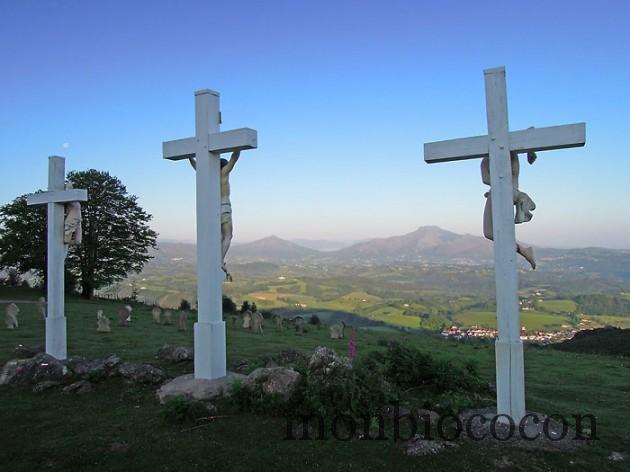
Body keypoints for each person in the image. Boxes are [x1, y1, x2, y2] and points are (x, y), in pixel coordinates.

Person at [481, 151, 537, 269]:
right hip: (498, 192)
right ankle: (523, 250)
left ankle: (523, 251)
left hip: (506, 192)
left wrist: (530, 150)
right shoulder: (487, 159)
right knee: (489, 233)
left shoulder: (510, 151)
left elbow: (488, 179)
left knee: (491, 232)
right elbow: (486, 180)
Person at [189, 150, 240, 281]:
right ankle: (220, 260)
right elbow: (234, 159)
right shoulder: (224, 173)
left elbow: (194, 165)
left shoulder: (207, 175)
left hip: (211, 209)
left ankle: (215, 259)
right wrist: (238, 147)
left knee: (218, 237)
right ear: (224, 165)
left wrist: (189, 156)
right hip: (224, 205)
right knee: (228, 235)